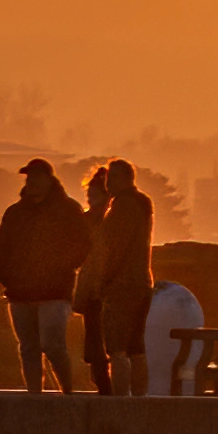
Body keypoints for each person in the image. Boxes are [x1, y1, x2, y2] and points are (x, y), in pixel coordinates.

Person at [0, 158, 91, 394]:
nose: (31, 181)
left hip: (54, 293)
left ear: (49, 179)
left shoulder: (68, 210)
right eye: (28, 177)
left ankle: (67, 392)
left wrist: (61, 269)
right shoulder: (14, 213)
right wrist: (7, 279)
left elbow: (82, 245)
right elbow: (1, 249)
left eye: (36, 176)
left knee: (53, 346)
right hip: (19, 294)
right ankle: (34, 396)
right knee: (28, 348)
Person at [94, 158, 157, 396]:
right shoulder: (143, 204)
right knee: (136, 348)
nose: (107, 185)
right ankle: (140, 399)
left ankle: (121, 401)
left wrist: (104, 280)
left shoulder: (123, 206)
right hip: (143, 281)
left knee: (117, 348)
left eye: (109, 178)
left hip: (122, 284)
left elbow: (115, 247)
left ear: (120, 178)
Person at [71, 164, 116, 395]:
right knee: (98, 343)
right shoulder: (102, 220)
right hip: (95, 289)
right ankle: (104, 385)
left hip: (100, 289)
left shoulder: (99, 221)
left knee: (100, 343)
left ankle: (104, 385)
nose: (90, 197)